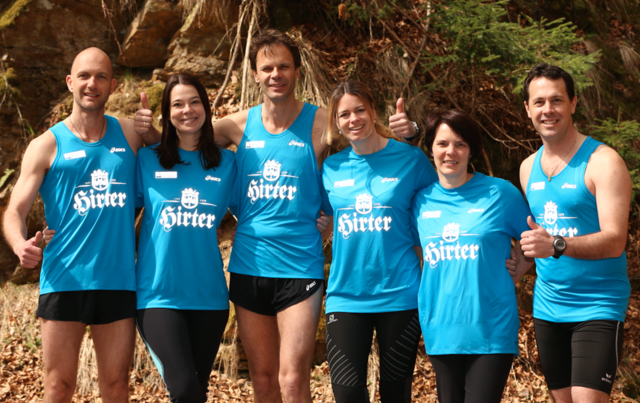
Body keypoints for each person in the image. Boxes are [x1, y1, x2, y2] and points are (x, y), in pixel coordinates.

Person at [135, 29, 416, 403]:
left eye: (284, 66)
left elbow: (367, 145)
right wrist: (152, 134)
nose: (275, 74)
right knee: (264, 379)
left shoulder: (322, 123)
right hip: (249, 265)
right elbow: (186, 137)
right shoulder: (237, 125)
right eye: (267, 67)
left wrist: (409, 135)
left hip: (300, 265)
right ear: (254, 74)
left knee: (292, 377)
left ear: (297, 70)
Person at [2, 47, 159, 403]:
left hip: (118, 280)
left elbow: (172, 161)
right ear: (71, 82)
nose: (93, 83)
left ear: (113, 85)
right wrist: (18, 244)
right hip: (63, 279)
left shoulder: (129, 135)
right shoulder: (45, 145)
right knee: (59, 386)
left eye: (101, 76)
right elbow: (14, 210)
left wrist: (152, 134)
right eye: (85, 76)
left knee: (117, 385)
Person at [519, 63, 631, 403]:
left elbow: (614, 241)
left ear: (573, 103)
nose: (548, 110)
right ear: (527, 109)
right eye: (539, 102)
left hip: (598, 304)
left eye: (556, 100)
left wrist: (555, 244)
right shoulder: (527, 168)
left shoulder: (603, 161)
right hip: (548, 307)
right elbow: (532, 237)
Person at [320, 80, 437, 403]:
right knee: (347, 393)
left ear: (373, 111)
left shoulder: (410, 160)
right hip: (346, 295)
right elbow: (325, 218)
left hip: (399, 294)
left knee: (395, 394)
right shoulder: (332, 167)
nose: (353, 119)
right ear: (336, 122)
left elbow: (437, 209)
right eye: (344, 114)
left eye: (360, 110)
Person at [412, 110, 534, 403]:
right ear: (431, 148)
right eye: (442, 144)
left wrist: (522, 264)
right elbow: (420, 253)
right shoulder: (420, 200)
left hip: (490, 329)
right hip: (440, 329)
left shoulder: (500, 193)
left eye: (460, 144)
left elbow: (535, 237)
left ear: (471, 150)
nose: (450, 152)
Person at [134, 73, 236, 402]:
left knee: (197, 392)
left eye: (194, 102)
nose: (187, 110)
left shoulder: (227, 164)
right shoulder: (147, 159)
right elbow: (116, 210)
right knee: (185, 390)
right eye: (178, 104)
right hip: (158, 296)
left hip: (209, 297)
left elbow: (254, 211)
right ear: (167, 113)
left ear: (206, 108)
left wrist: (317, 220)